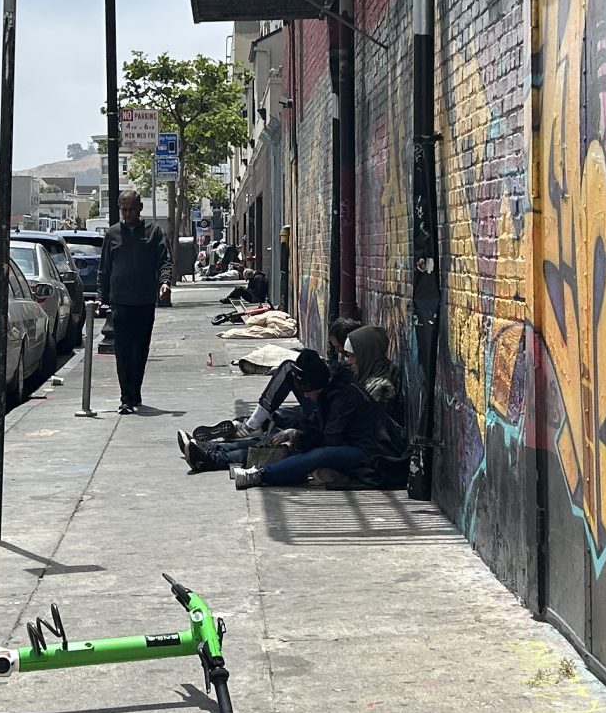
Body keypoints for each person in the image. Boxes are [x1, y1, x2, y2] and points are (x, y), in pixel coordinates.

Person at [229, 358, 400, 489]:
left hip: (374, 452)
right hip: (355, 443)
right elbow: (317, 425)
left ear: (317, 386)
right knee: (282, 439)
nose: (306, 397)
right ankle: (218, 454)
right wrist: (295, 435)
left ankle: (260, 475)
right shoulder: (329, 391)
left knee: (321, 454)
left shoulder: (344, 397)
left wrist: (298, 438)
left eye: (308, 392)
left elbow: (330, 439)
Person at [179, 349, 323, 472]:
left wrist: (297, 435)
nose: (346, 360)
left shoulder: (338, 401)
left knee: (279, 444)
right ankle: (213, 445)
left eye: (346, 355)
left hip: (324, 444)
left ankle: (210, 459)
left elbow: (329, 439)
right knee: (279, 424)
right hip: (318, 422)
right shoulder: (333, 389)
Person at [100, 188, 172, 412]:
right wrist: (102, 299)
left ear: (140, 208)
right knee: (122, 351)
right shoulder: (112, 234)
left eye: (132, 209)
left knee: (140, 350)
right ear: (119, 209)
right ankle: (125, 398)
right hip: (120, 302)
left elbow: (165, 261)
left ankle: (135, 393)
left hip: (144, 301)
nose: (128, 214)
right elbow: (105, 268)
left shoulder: (154, 232)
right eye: (124, 210)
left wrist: (165, 282)